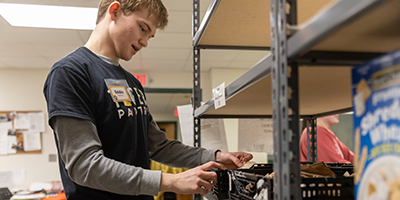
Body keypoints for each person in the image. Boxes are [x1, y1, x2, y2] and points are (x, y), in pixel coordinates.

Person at [43, 0, 253, 200]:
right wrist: (172, 181)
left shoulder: (132, 83)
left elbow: (158, 146)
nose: (144, 42)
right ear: (115, 11)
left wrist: (214, 156)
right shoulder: (70, 73)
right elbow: (85, 166)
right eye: (142, 28)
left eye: (150, 36)